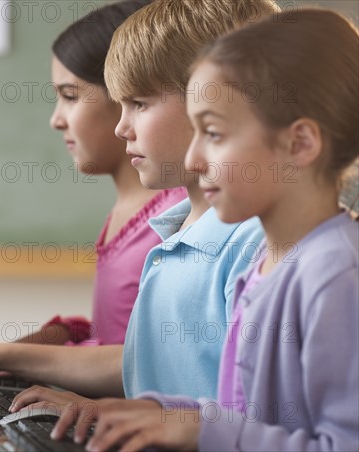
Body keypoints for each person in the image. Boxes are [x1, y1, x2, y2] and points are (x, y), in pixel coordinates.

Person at [0, 0, 275, 406]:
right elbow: (146, 366)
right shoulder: (175, 230)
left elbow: (251, 414)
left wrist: (112, 409)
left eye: (138, 103)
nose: (121, 125)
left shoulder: (252, 244)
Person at [69, 8, 359, 452]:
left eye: (215, 134)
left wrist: (200, 431)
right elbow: (243, 416)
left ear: (299, 144)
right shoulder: (265, 269)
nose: (192, 160)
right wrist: (158, 412)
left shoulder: (337, 276)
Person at [16, 0, 186, 347]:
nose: (56, 119)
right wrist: (64, 333)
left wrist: (8, 358)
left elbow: (154, 361)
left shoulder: (181, 216)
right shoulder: (130, 208)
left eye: (70, 96)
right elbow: (122, 331)